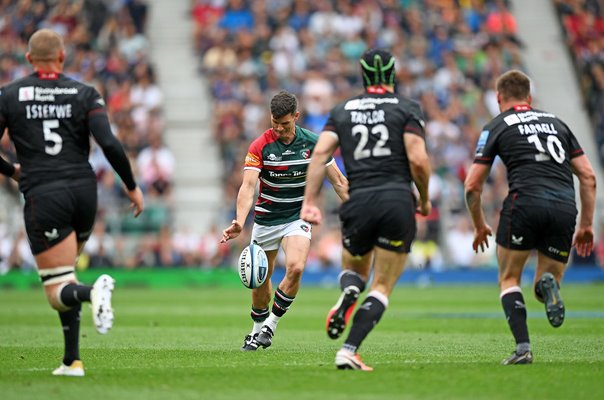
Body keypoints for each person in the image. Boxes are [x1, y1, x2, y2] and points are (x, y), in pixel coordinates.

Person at [0, 29, 144, 376]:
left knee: (57, 290)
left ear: (30, 58)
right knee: (67, 273)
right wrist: (131, 185)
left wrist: (13, 172)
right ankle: (72, 361)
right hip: (84, 193)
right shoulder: (84, 93)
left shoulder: (9, 95)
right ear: (62, 57)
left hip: (45, 193)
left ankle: (95, 291)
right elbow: (108, 143)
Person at [301, 49, 432, 371]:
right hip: (395, 199)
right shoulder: (406, 108)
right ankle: (349, 349)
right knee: (382, 285)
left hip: (357, 201)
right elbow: (417, 159)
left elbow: (319, 154)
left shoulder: (342, 109)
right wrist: (425, 198)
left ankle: (348, 291)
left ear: (363, 76)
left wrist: (309, 202)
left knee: (356, 270)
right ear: (392, 75)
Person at [464, 70, 596, 365]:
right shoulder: (557, 123)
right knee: (544, 285)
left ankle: (523, 348)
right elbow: (587, 176)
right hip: (564, 206)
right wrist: (587, 225)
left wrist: (479, 224)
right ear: (530, 97)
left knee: (509, 278)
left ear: (499, 98)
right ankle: (547, 284)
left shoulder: (496, 125)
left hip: (524, 203)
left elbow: (472, 184)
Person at [221, 90, 348, 351]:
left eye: (285, 123)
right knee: (260, 282)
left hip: (296, 217)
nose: (278, 128)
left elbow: (338, 181)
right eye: (274, 122)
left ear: (296, 117)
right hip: (266, 219)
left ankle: (270, 326)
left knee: (296, 267)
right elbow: (248, 187)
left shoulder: (314, 143)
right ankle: (256, 331)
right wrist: (239, 221)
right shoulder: (260, 146)